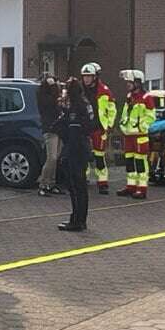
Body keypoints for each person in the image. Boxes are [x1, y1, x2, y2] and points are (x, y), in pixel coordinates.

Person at [56, 77, 95, 231]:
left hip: (76, 151)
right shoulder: (84, 104)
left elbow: (73, 133)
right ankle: (80, 219)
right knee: (80, 187)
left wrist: (65, 155)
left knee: (76, 186)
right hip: (83, 148)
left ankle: (77, 220)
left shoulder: (76, 108)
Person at [117, 69, 157, 199]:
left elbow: (151, 117)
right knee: (129, 162)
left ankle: (141, 188)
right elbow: (125, 114)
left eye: (130, 82)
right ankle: (131, 186)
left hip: (140, 136)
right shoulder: (130, 97)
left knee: (140, 163)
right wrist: (122, 125)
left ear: (138, 83)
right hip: (128, 135)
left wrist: (142, 127)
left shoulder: (146, 98)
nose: (127, 85)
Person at [80, 62, 117, 194]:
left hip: (98, 128)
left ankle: (102, 182)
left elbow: (112, 110)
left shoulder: (104, 91)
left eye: (89, 76)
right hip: (84, 128)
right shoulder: (80, 91)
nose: (86, 79)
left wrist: (108, 125)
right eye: (85, 76)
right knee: (83, 155)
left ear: (95, 77)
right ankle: (83, 179)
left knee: (99, 156)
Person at [35, 75, 64, 196]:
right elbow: (50, 102)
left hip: (58, 129)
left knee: (56, 158)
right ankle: (43, 183)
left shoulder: (54, 95)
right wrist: (53, 87)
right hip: (50, 129)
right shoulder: (43, 96)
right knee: (51, 157)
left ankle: (51, 183)